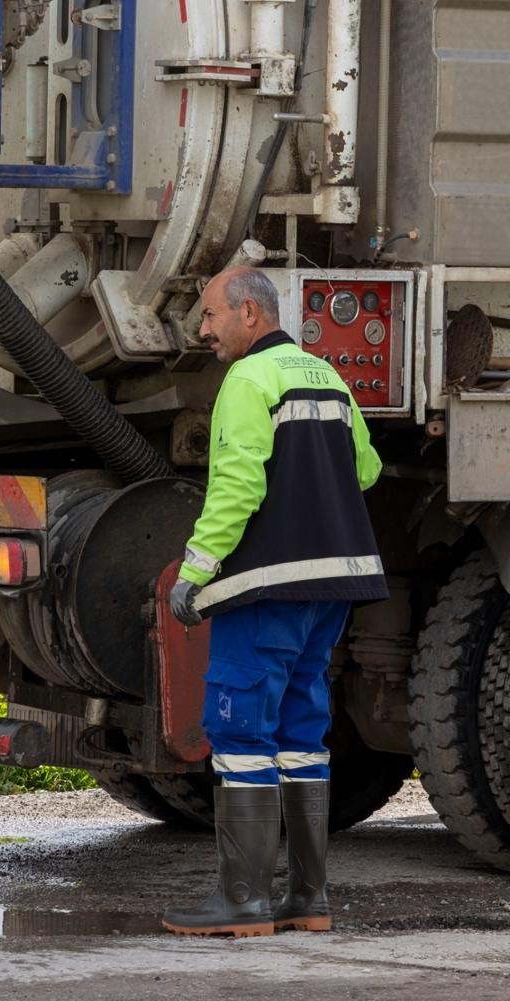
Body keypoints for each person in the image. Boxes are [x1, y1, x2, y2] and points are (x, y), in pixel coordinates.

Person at [164, 267, 386, 937]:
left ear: (250, 315)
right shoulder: (326, 375)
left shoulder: (248, 381)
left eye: (210, 316)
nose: (203, 329)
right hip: (333, 588)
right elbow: (366, 469)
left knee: (238, 733)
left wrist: (194, 572)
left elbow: (236, 486)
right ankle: (307, 898)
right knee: (299, 733)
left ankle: (243, 899)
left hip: (268, 590)